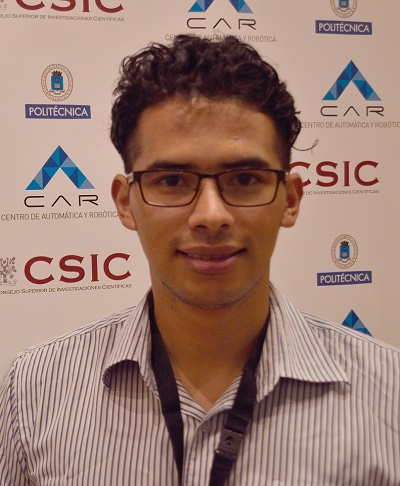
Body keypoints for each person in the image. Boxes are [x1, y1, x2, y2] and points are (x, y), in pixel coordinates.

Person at [0, 35, 399, 486]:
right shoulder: (34, 392)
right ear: (126, 203)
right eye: (172, 180)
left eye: (244, 178)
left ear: (289, 200)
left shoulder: (389, 394)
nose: (211, 215)